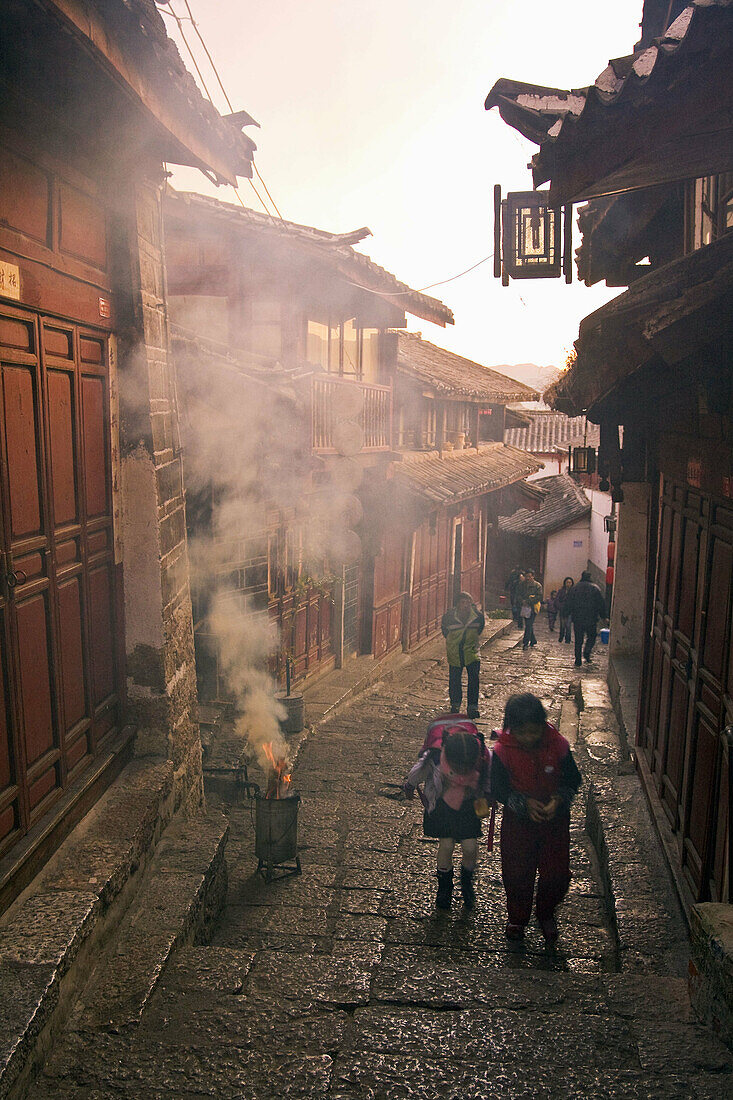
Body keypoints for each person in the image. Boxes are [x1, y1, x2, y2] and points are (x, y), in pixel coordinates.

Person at [491, 693, 581, 943]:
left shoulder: (558, 745)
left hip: (554, 821)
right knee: (517, 873)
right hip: (518, 823)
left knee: (557, 874)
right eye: (523, 733)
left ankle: (546, 912)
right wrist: (521, 802)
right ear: (512, 728)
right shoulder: (502, 751)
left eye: (535, 732)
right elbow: (497, 787)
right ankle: (517, 918)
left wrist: (559, 800)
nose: (530, 738)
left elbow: (573, 779)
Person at [404, 725, 490, 910]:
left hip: (468, 808)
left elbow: (488, 778)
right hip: (443, 807)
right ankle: (444, 886)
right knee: (446, 845)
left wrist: (489, 795)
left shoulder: (479, 757)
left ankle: (467, 880)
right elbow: (419, 771)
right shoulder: (436, 758)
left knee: (470, 847)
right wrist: (409, 785)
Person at [441, 592, 485, 719]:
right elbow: (445, 630)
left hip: (472, 652)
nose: (465, 605)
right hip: (455, 652)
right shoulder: (449, 617)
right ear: (458, 604)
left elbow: (479, 630)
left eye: (467, 602)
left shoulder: (477, 617)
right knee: (454, 679)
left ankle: (472, 707)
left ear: (471, 603)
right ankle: (455, 704)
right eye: (462, 602)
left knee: (474, 679)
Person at [563, 570, 607, 667]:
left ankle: (578, 659)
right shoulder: (595, 589)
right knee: (592, 636)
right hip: (591, 619)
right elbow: (601, 604)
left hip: (577, 619)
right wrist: (604, 616)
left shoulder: (574, 589)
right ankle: (587, 652)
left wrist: (565, 614)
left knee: (578, 639)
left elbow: (568, 603)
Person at [517, 569, 543, 649]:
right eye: (526, 576)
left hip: (533, 607)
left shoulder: (537, 586)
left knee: (528, 625)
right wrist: (522, 601)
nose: (528, 578)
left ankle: (525, 643)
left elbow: (539, 597)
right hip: (524, 607)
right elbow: (518, 594)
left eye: (529, 576)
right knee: (529, 624)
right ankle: (533, 640)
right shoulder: (522, 585)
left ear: (533, 576)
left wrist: (528, 601)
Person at [556, 576, 574, 644]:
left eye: (570, 582)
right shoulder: (561, 591)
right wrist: (560, 606)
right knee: (562, 625)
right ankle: (561, 637)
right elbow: (557, 599)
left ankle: (568, 639)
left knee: (568, 626)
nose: (568, 584)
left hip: (569, 611)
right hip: (562, 610)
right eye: (567, 582)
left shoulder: (573, 591)